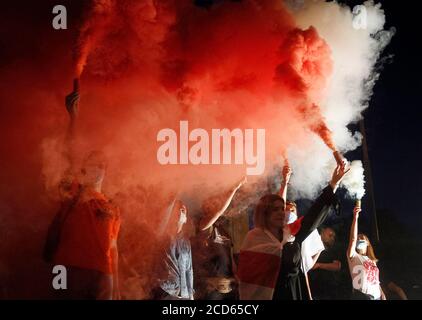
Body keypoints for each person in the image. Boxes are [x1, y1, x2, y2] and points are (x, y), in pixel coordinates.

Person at [237, 162, 349, 300]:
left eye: (281, 209)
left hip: (294, 294)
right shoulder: (254, 238)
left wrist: (333, 184)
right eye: (275, 209)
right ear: (264, 214)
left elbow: (312, 217)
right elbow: (246, 275)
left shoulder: (290, 234)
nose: (281, 212)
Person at [44, 150, 121, 300]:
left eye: (101, 165)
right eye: (92, 164)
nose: (97, 168)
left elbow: (113, 246)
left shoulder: (112, 207)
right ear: (84, 168)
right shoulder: (72, 193)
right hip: (65, 268)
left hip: (102, 273)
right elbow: (61, 171)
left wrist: (116, 284)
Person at [192, 177, 247, 300]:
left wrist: (236, 276)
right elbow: (218, 212)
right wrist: (234, 188)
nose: (214, 204)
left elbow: (230, 256)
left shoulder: (223, 230)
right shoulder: (203, 225)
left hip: (228, 287)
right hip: (212, 289)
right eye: (211, 203)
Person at [278, 165, 325, 299]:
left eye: (292, 210)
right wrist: (284, 182)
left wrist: (309, 265)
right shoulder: (280, 228)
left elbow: (317, 249)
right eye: (286, 210)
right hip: (281, 272)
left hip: (299, 274)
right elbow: (280, 203)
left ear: (296, 213)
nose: (288, 212)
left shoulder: (302, 228)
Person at [154, 199, 194, 300]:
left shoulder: (186, 241)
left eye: (183, 210)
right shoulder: (163, 235)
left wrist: (191, 295)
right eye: (177, 209)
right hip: (165, 291)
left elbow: (189, 270)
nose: (181, 210)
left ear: (185, 219)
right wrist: (172, 197)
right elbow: (163, 218)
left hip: (183, 294)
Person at [347, 202, 386, 300]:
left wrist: (382, 294)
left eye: (362, 238)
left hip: (377, 296)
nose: (359, 239)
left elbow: (376, 280)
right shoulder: (353, 255)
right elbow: (352, 238)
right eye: (358, 239)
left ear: (368, 243)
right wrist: (355, 217)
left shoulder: (372, 260)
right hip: (362, 296)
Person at [309, 226, 343, 300]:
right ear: (322, 231)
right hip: (313, 287)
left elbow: (337, 266)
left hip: (329, 288)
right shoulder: (312, 245)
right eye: (330, 234)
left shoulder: (332, 250)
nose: (332, 237)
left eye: (333, 236)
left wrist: (319, 265)